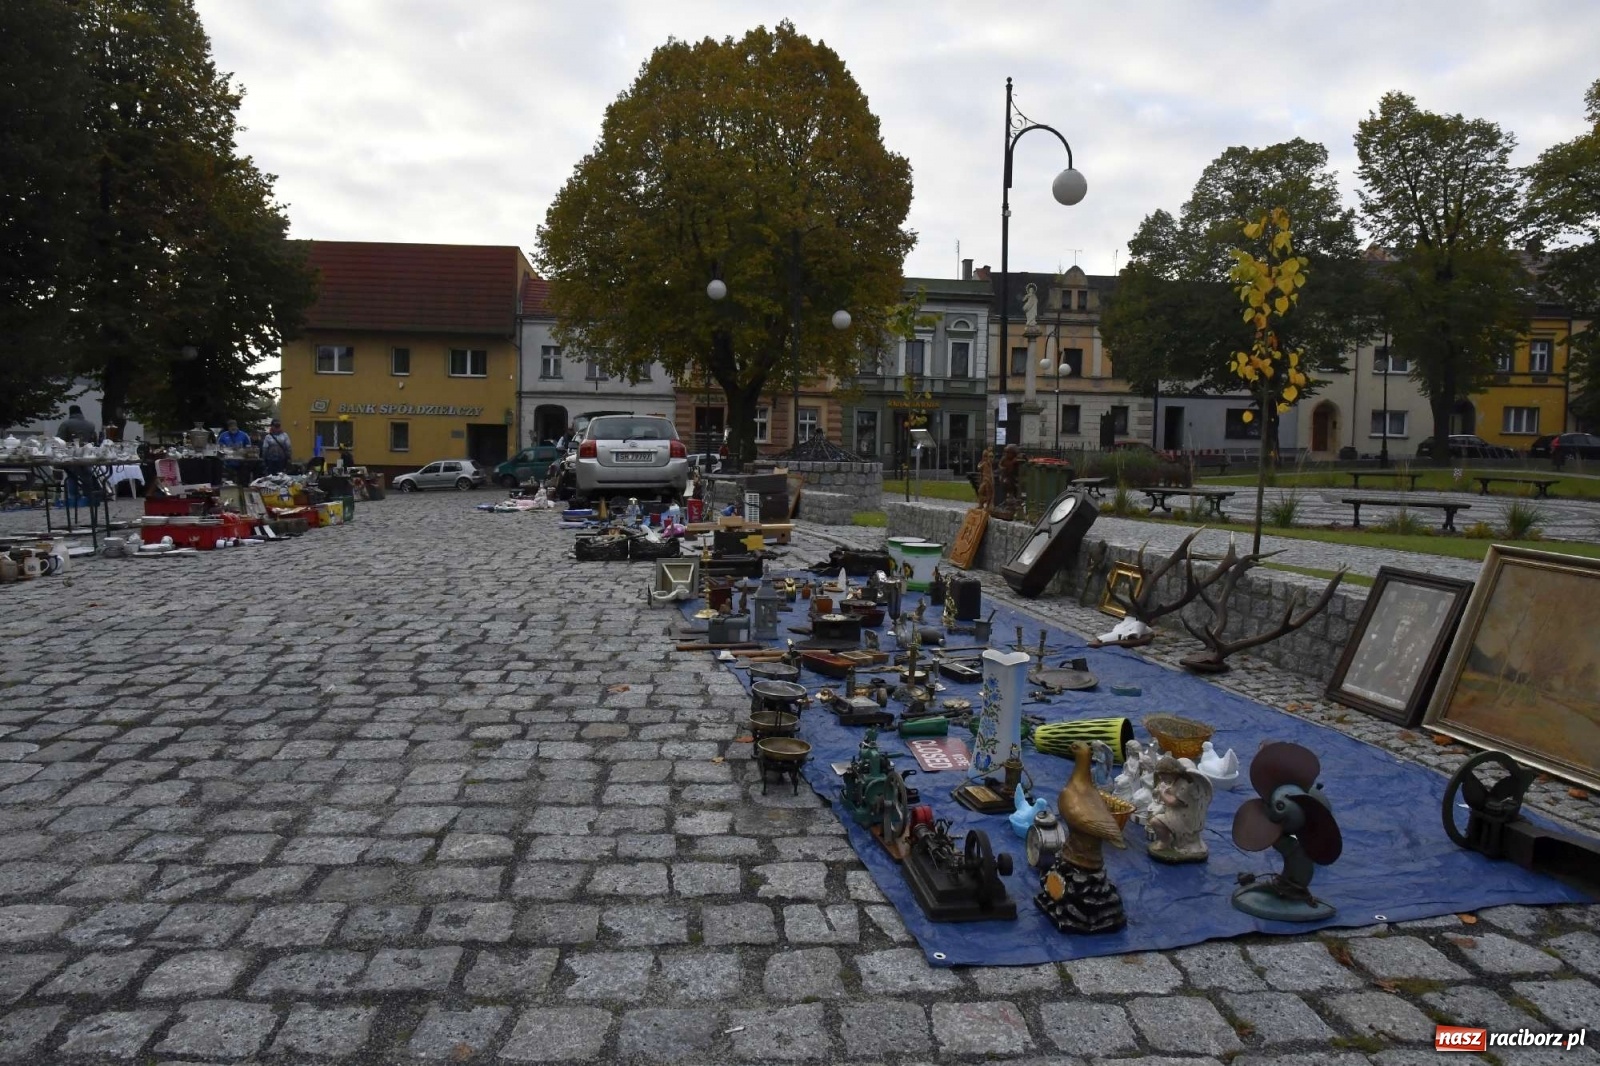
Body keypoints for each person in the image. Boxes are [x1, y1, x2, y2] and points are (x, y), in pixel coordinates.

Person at [55, 405, 100, 506]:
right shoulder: (90, 425)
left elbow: (58, 441)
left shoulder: (66, 424)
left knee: (71, 476)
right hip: (87, 455)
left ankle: (74, 498)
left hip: (71, 456)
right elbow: (94, 440)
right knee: (87, 476)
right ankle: (90, 497)